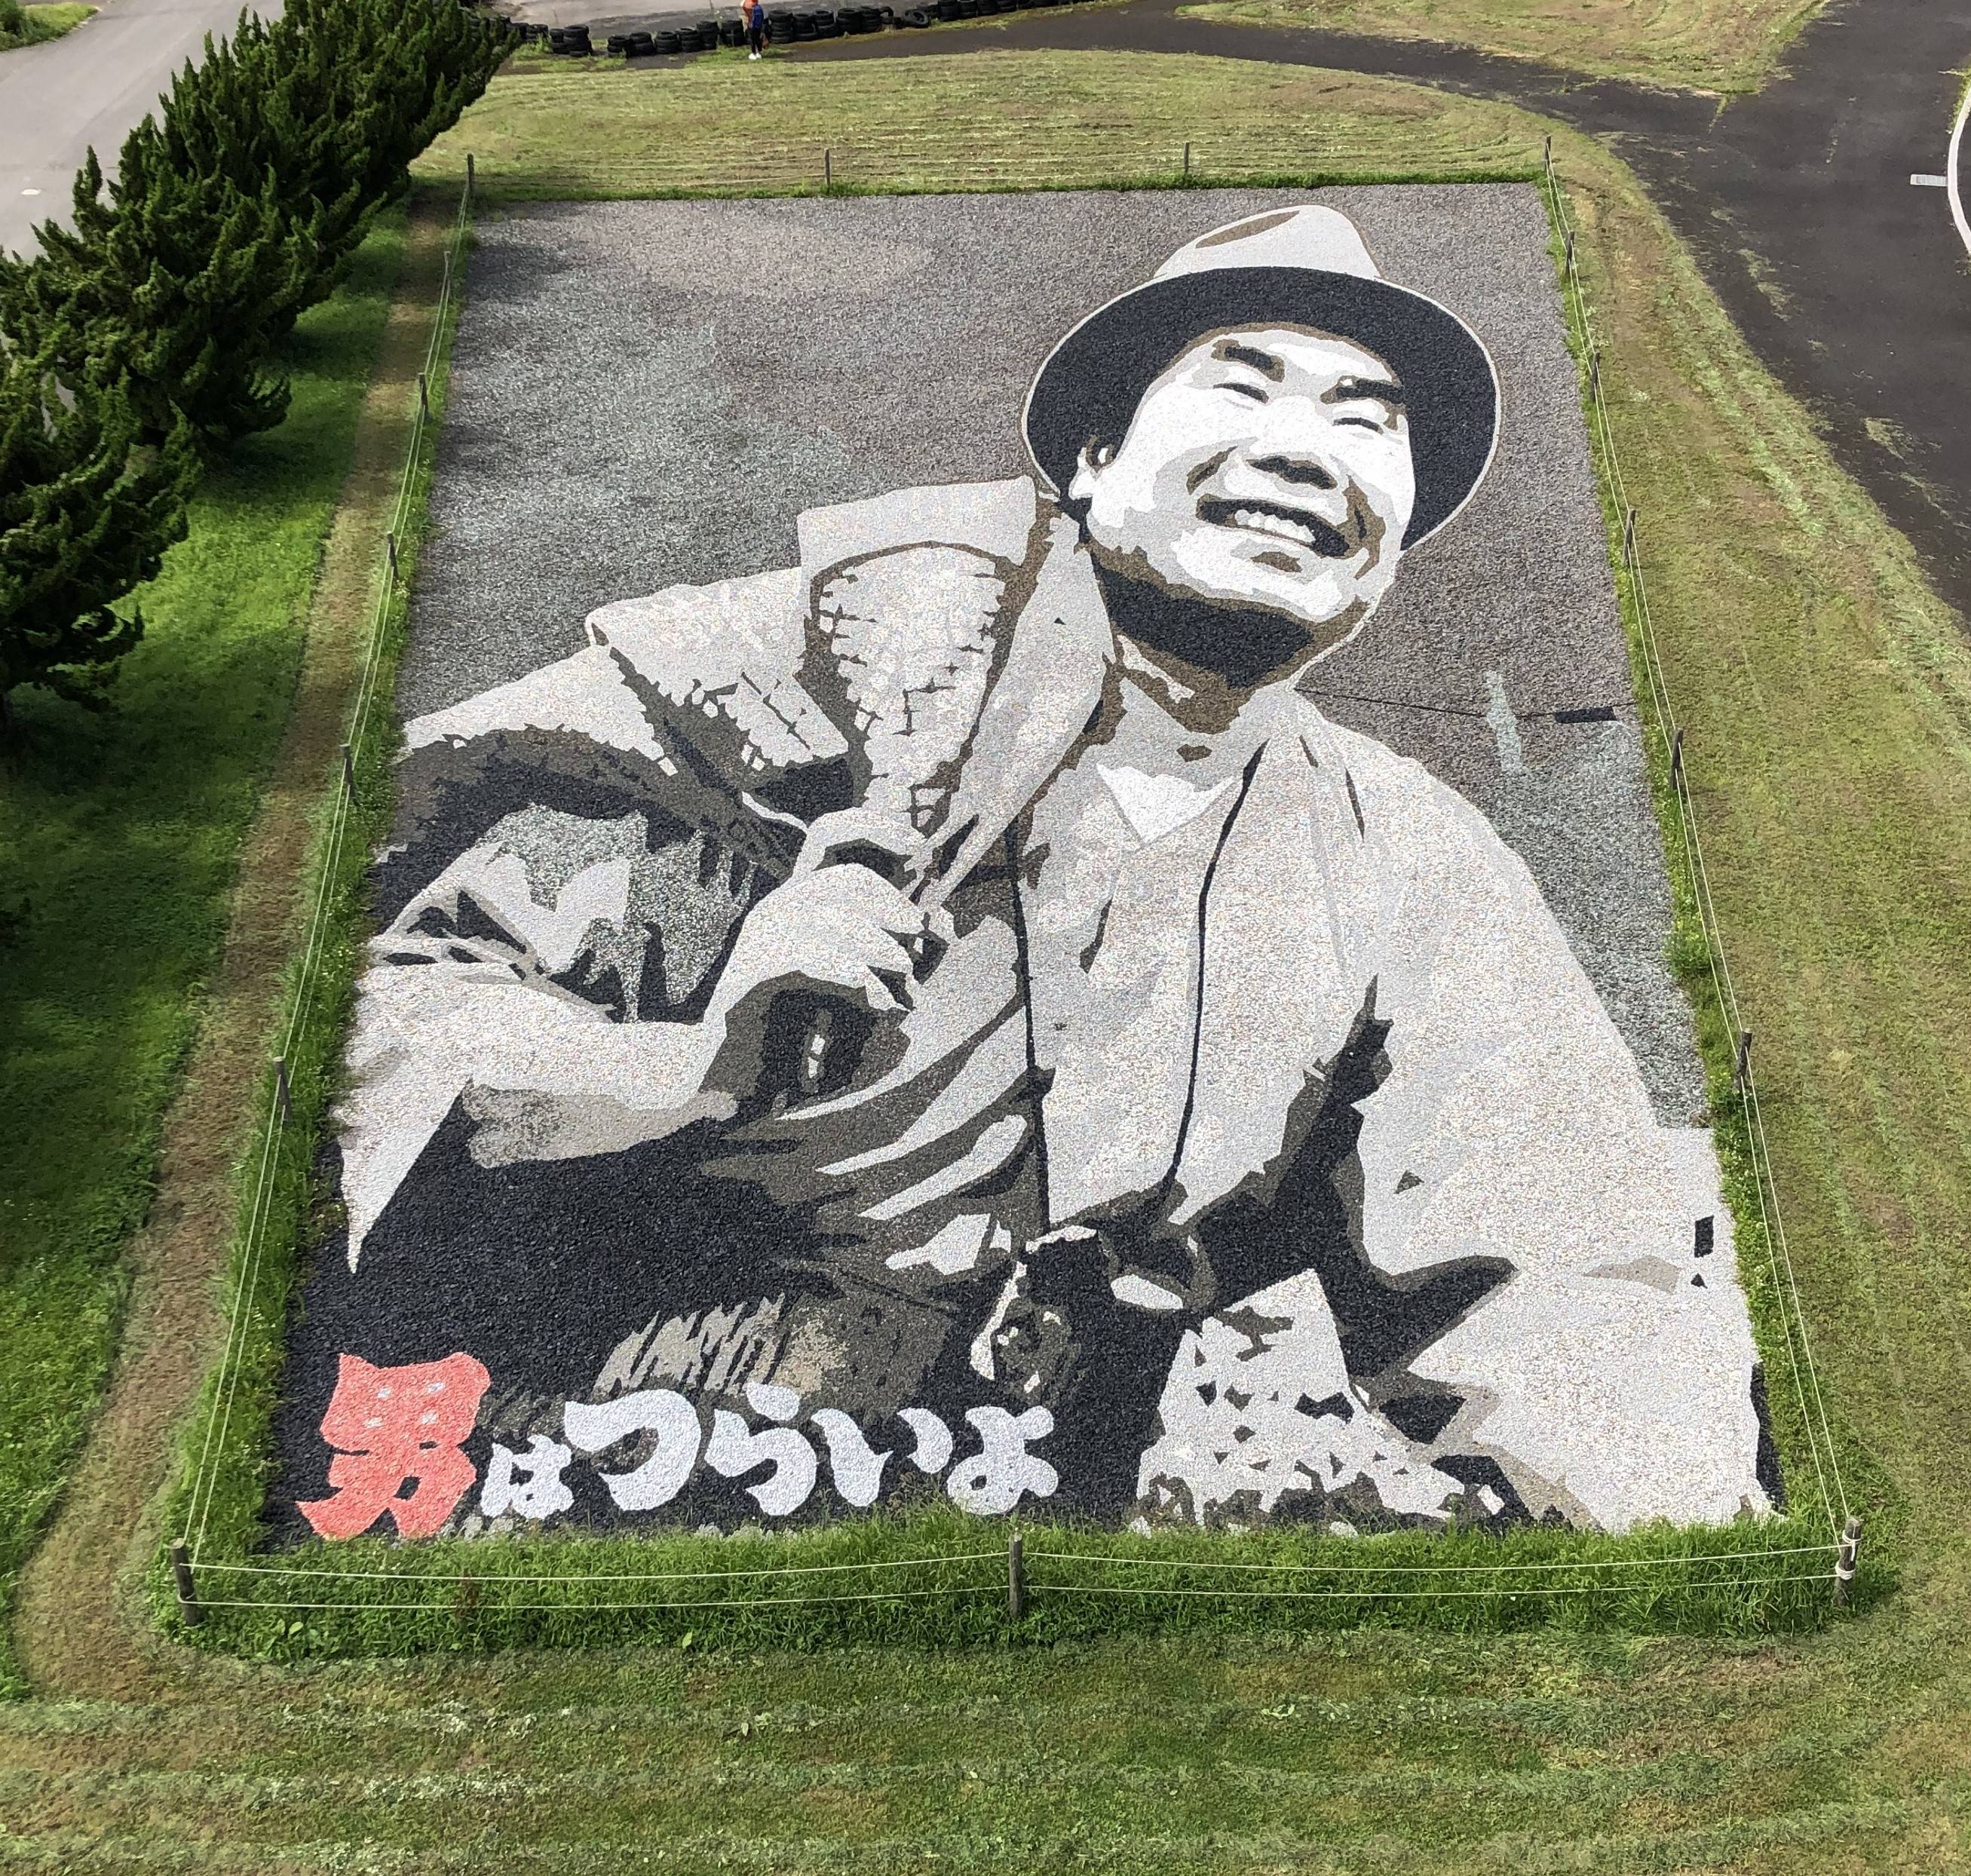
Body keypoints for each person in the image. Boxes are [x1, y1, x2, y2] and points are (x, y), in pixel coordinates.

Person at [307, 207, 1773, 1537]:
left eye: (1365, 418)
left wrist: (1667, 1585)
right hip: (579, 1473)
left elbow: (1568, 1268)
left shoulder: (1397, 856)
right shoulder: (799, 701)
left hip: (1014, 1528)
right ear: (1090, 460)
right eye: (1242, 381)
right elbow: (369, 999)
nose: (1304, 447)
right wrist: (681, 1068)